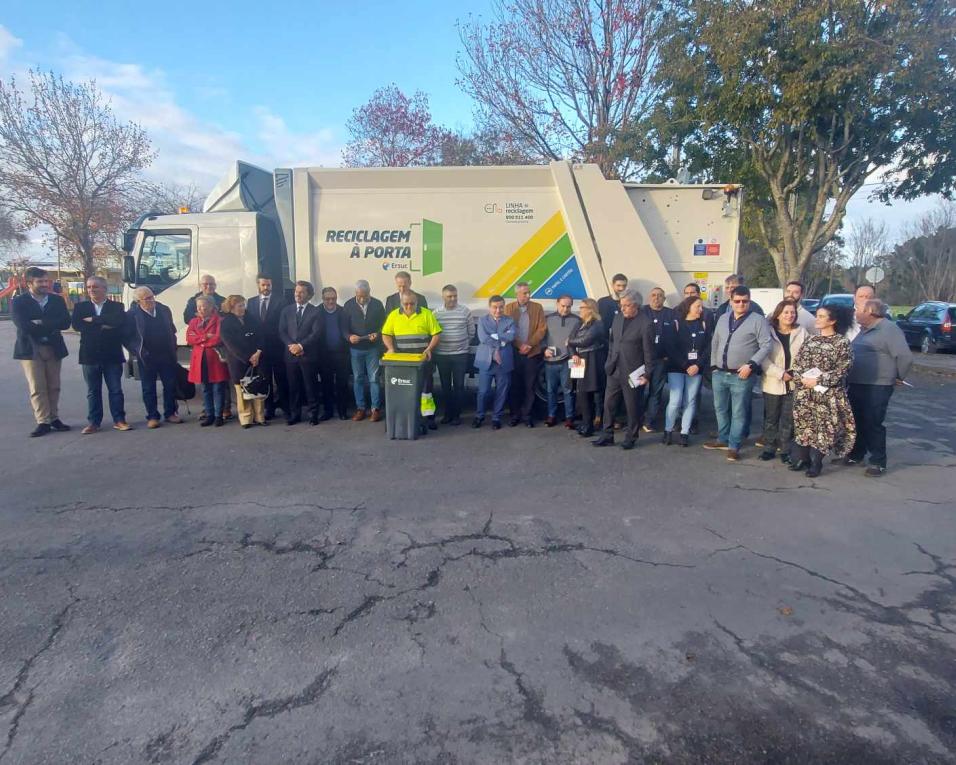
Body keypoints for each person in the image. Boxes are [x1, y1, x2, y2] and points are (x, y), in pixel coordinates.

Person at [845, 299, 914, 476]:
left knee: (872, 422)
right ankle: (856, 454)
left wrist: (899, 376)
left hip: (877, 385)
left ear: (870, 311)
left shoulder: (889, 329)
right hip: (857, 383)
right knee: (857, 420)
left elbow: (904, 356)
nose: (855, 312)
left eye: (858, 309)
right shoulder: (864, 330)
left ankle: (877, 461)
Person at [705, 286, 772, 461]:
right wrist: (713, 365)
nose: (741, 304)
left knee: (738, 411)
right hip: (720, 373)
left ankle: (734, 445)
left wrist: (751, 364)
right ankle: (723, 438)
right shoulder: (723, 318)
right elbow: (715, 342)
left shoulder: (758, 320)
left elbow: (766, 345)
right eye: (737, 301)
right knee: (720, 409)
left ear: (749, 301)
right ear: (731, 301)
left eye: (745, 301)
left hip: (742, 376)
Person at [790, 304, 857, 478]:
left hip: (829, 394)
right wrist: (801, 379)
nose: (816, 319)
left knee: (824, 428)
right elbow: (798, 363)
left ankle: (816, 463)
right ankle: (802, 459)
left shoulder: (841, 343)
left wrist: (819, 380)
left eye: (821, 316)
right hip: (806, 392)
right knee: (804, 426)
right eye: (817, 315)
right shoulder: (811, 340)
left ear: (832, 321)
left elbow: (844, 368)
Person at [12, 266, 72, 437]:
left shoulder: (56, 301)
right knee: (38, 387)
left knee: (54, 386)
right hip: (31, 349)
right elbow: (23, 325)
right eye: (40, 281)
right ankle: (43, 421)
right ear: (29, 283)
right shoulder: (19, 302)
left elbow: (66, 323)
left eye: (46, 281)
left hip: (53, 348)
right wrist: (50, 325)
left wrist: (41, 323)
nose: (45, 284)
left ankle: (54, 418)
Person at [592, 290, 654, 450]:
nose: (623, 308)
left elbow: (649, 351)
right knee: (608, 404)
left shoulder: (645, 323)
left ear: (636, 306)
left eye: (627, 306)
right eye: (622, 305)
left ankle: (631, 437)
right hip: (614, 369)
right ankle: (607, 435)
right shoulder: (618, 317)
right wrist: (609, 361)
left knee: (632, 406)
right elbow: (613, 341)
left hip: (634, 372)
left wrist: (647, 374)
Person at [72, 276, 130, 434]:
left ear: (105, 289)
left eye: (95, 287)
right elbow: (77, 325)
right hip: (89, 355)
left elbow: (118, 322)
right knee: (93, 391)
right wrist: (103, 324)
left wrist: (93, 320)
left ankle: (119, 420)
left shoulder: (117, 306)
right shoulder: (80, 307)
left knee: (115, 390)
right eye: (89, 287)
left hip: (111, 355)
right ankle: (94, 422)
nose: (91, 290)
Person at [381, 291, 443, 433]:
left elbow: (436, 334)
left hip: (422, 361)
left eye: (412, 303)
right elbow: (386, 333)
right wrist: (390, 348)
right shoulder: (394, 315)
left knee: (426, 392)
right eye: (405, 303)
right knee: (404, 392)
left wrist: (429, 349)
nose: (409, 306)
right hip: (403, 363)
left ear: (417, 303)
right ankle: (404, 418)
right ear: (401, 303)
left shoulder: (427, 314)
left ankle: (429, 419)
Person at [126, 286, 183, 428]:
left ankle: (170, 413)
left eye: (152, 297)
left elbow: (172, 329)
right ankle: (152, 416)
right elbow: (127, 338)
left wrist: (173, 346)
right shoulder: (132, 315)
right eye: (147, 299)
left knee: (170, 385)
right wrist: (139, 351)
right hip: (146, 358)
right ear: (138, 301)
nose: (151, 301)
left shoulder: (164, 310)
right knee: (148, 388)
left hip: (166, 354)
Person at [758, 299, 807, 462]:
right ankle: (769, 447)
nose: (789, 315)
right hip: (773, 382)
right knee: (771, 418)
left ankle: (785, 450)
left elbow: (807, 356)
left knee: (789, 419)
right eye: (786, 312)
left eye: (792, 312)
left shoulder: (802, 332)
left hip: (794, 382)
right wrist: (780, 373)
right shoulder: (768, 332)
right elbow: (763, 358)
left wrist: (795, 373)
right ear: (778, 314)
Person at [661, 295, 711, 447]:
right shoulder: (676, 323)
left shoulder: (703, 324)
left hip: (696, 369)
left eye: (701, 307)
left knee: (690, 401)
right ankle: (668, 430)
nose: (700, 310)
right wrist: (685, 365)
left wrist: (698, 365)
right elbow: (670, 347)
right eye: (698, 307)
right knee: (675, 400)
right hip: (677, 367)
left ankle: (684, 432)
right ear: (689, 307)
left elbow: (708, 348)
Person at [279, 281, 324, 425]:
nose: (297, 294)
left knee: (310, 386)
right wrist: (291, 346)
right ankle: (295, 414)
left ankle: (313, 414)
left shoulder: (316, 311)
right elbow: (282, 331)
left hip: (308, 355)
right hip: (290, 355)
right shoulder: (287, 310)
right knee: (293, 387)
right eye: (296, 291)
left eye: (301, 292)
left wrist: (300, 346)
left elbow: (316, 333)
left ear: (309, 295)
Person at [246, 274, 289, 420]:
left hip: (277, 347)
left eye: (268, 285)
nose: (266, 288)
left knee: (281, 379)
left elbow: (283, 324)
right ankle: (269, 409)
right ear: (258, 285)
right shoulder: (250, 303)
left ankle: (285, 407)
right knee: (265, 380)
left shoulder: (281, 301)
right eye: (263, 285)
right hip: (260, 349)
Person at [220, 295, 266, 429]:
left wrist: (258, 353)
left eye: (243, 305)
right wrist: (247, 358)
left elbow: (261, 336)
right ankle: (246, 418)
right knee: (242, 390)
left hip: (257, 358)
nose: (243, 308)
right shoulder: (226, 322)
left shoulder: (251, 318)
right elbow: (230, 344)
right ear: (232, 307)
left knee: (258, 387)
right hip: (238, 361)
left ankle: (259, 416)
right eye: (239, 306)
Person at [505, 282, 547, 427]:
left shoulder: (537, 307)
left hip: (531, 352)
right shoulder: (509, 308)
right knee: (515, 385)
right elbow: (505, 329)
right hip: (515, 352)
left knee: (530, 386)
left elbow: (542, 328)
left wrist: (529, 344)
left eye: (529, 292)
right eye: (524, 293)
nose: (528, 295)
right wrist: (519, 345)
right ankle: (515, 414)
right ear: (516, 294)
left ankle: (527, 415)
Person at [343, 280, 386, 423]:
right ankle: (360, 408)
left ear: (370, 292)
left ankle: (375, 409)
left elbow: (384, 324)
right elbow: (343, 328)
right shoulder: (348, 305)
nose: (362, 299)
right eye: (360, 296)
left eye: (365, 295)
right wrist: (349, 337)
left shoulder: (377, 304)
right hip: (355, 349)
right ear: (355, 293)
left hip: (372, 348)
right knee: (358, 379)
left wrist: (378, 334)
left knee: (374, 379)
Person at [432, 284, 476, 426]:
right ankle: (447, 414)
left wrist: (462, 345)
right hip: (442, 355)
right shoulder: (436, 313)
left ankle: (457, 415)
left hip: (460, 355)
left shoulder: (465, 311)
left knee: (459, 386)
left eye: (455, 296)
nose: (453, 299)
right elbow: (433, 333)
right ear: (443, 297)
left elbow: (471, 332)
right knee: (445, 386)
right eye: (449, 296)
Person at [186, 295, 230, 427]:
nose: (201, 309)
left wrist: (200, 340)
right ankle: (209, 414)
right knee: (205, 389)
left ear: (212, 307)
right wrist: (205, 337)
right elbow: (189, 338)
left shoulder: (219, 320)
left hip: (215, 360)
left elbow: (218, 338)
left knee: (218, 388)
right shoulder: (193, 321)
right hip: (200, 360)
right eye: (199, 306)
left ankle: (218, 415)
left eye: (204, 306)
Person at [473, 295, 516, 430]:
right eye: (495, 307)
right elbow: (483, 338)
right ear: (489, 307)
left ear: (504, 306)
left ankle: (496, 417)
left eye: (501, 307)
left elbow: (511, 336)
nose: (498, 310)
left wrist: (496, 337)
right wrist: (498, 345)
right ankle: (479, 416)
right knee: (483, 391)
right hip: (486, 361)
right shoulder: (482, 320)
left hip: (504, 362)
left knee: (501, 391)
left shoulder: (510, 320)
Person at [567, 298, 607, 438]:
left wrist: (570, 342)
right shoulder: (579, 323)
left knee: (592, 393)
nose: (580, 310)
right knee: (580, 392)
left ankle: (592, 424)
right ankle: (586, 422)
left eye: (582, 307)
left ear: (590, 309)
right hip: (579, 360)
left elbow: (586, 340)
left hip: (592, 360)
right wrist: (573, 355)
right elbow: (570, 341)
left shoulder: (598, 324)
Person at [543, 295, 581, 428]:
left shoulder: (577, 320)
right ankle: (551, 416)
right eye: (563, 306)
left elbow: (580, 339)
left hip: (568, 361)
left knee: (568, 390)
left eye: (569, 306)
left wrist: (575, 354)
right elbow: (541, 337)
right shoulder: (547, 319)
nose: (566, 309)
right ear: (557, 304)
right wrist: (543, 350)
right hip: (549, 361)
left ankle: (569, 418)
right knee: (550, 390)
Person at [640, 287, 674, 432]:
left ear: (664, 299)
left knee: (656, 391)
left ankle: (649, 421)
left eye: (660, 296)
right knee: (638, 390)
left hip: (661, 360)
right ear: (649, 297)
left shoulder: (671, 314)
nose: (656, 298)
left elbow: (675, 337)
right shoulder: (642, 312)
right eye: (653, 295)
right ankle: (636, 418)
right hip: (641, 361)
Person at [317, 287, 351, 421]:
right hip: (324, 354)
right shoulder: (317, 311)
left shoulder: (343, 311)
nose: (331, 301)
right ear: (322, 299)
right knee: (326, 384)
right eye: (328, 299)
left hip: (341, 353)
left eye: (333, 299)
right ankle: (328, 411)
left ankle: (342, 411)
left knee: (342, 384)